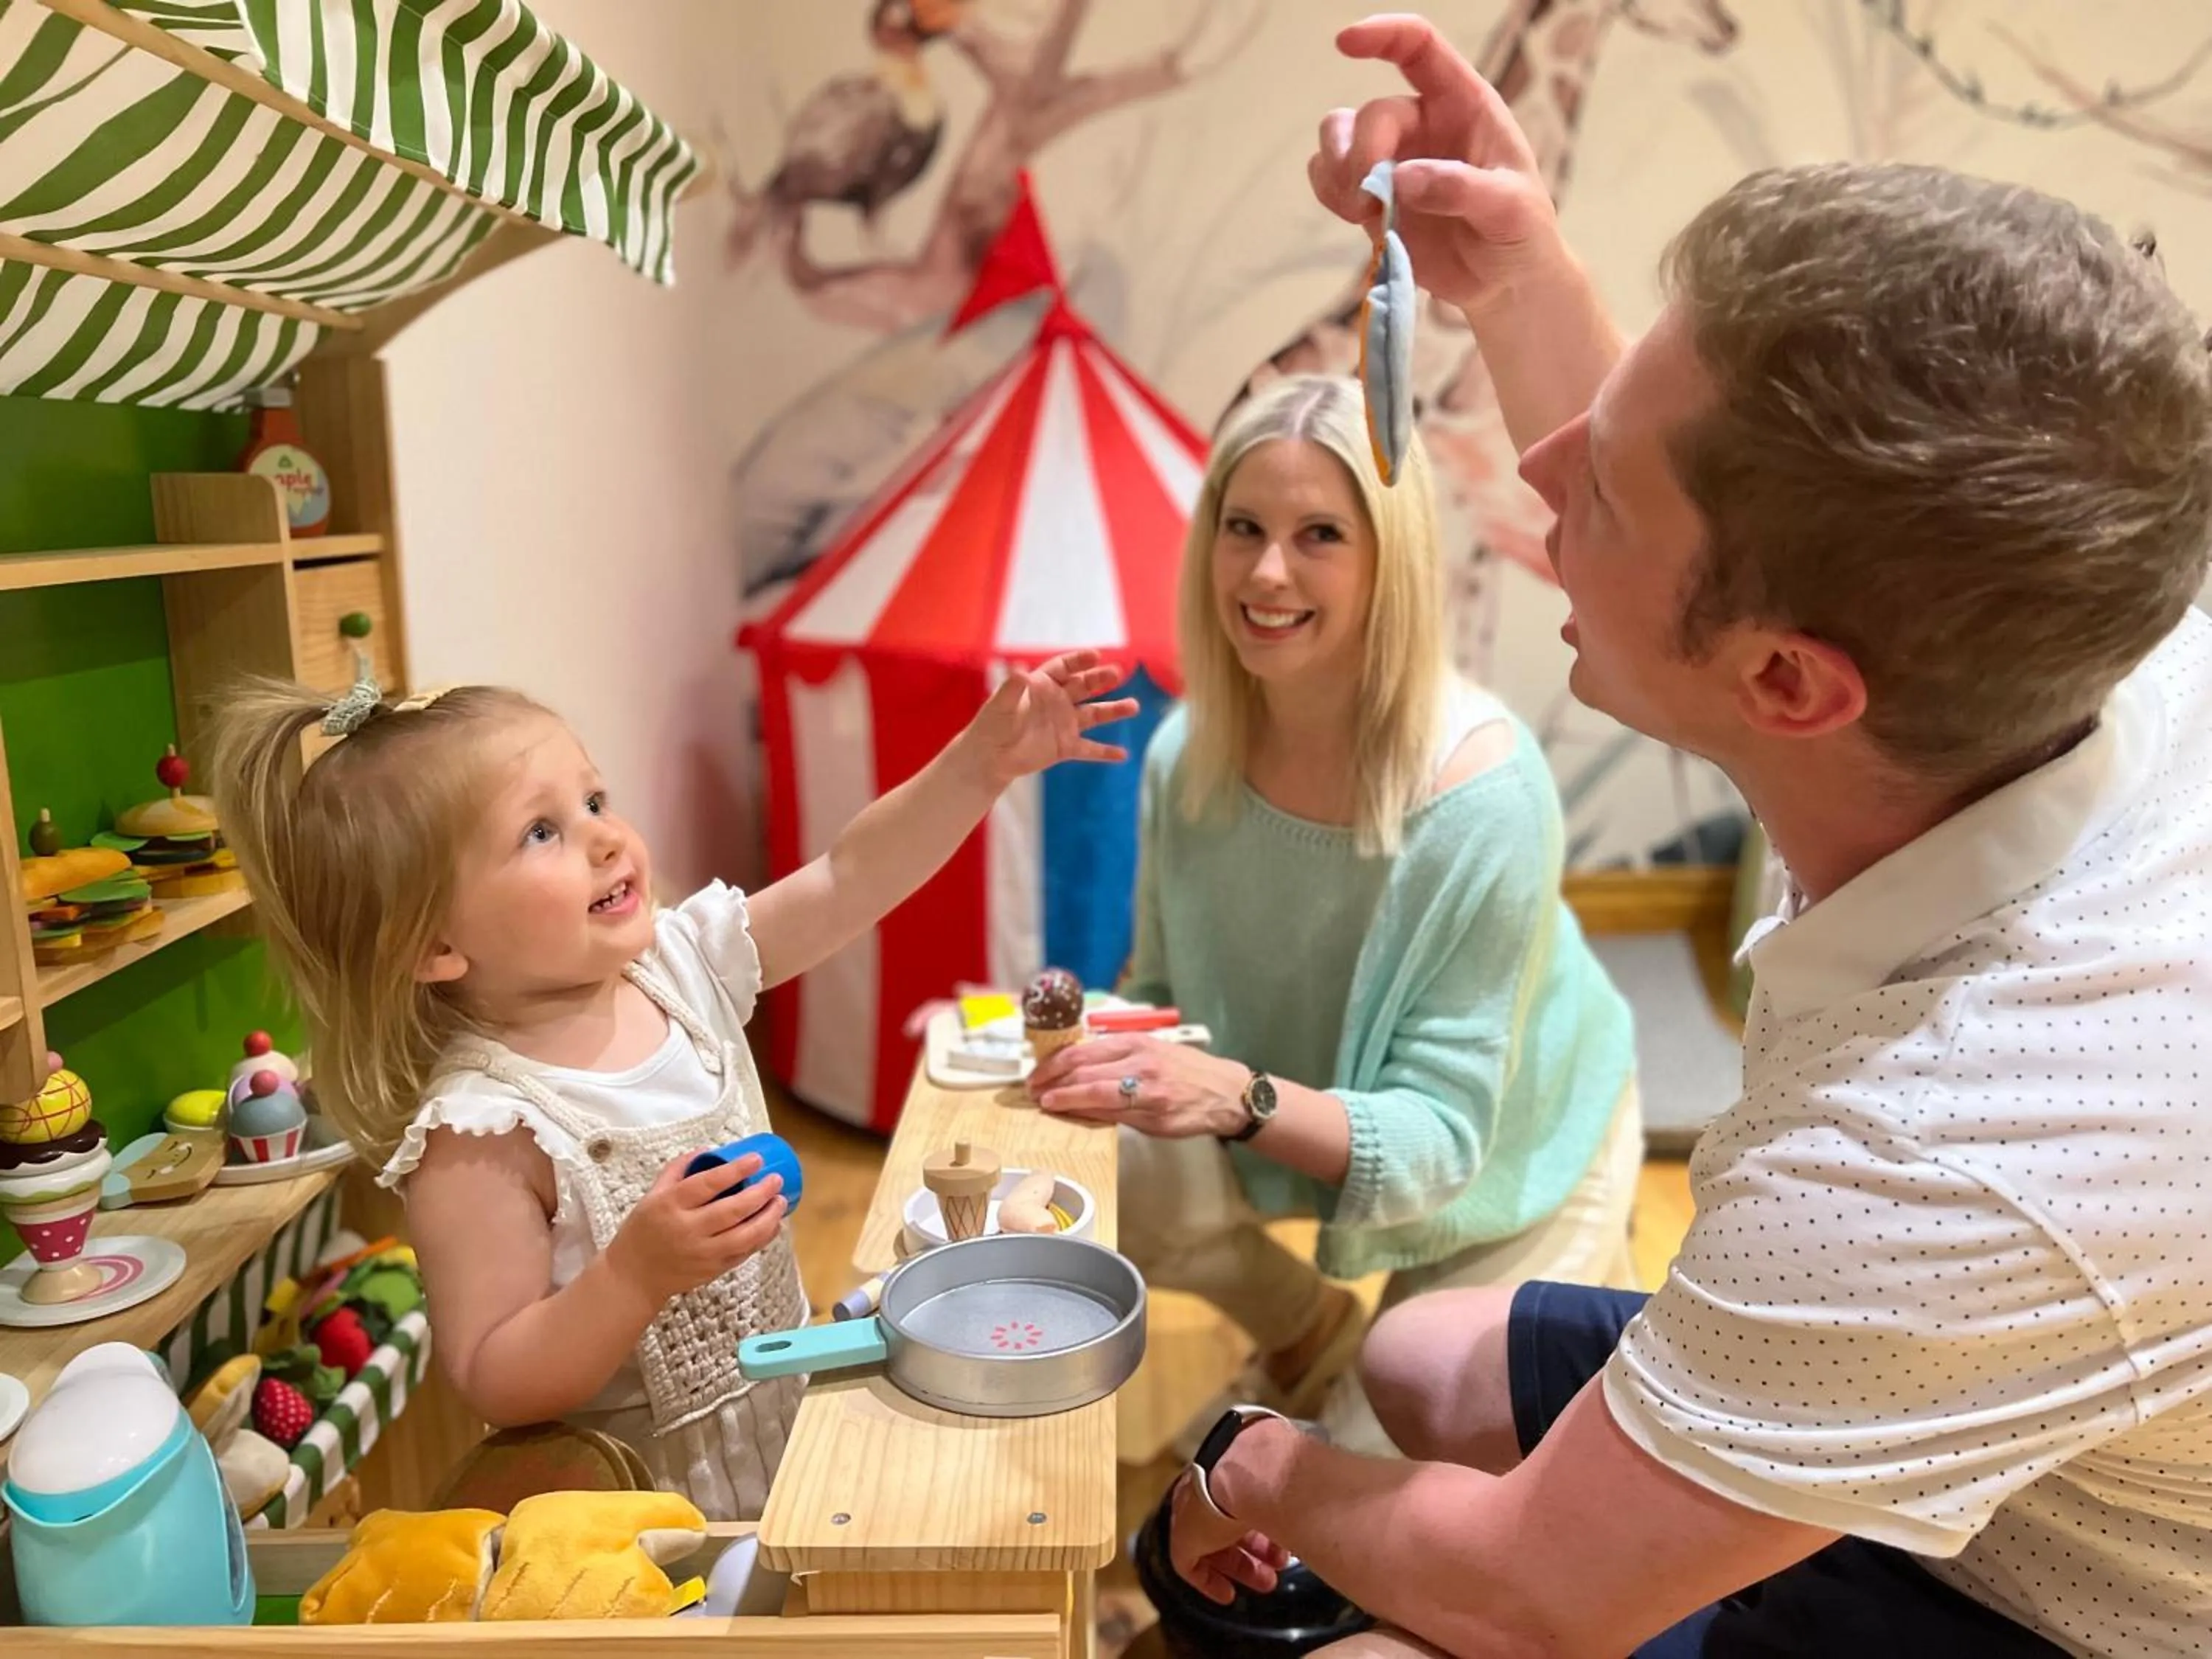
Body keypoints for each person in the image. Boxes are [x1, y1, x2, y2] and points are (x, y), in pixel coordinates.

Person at [1161, 15, 2212, 1658]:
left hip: (2038, 1593)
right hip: (1953, 1369)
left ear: (1787, 682)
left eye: (1610, 494)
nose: (1540, 470)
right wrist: (1515, 276)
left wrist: (1249, 1467)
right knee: (1419, 1359)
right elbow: (1715, 524)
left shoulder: (1937, 1165)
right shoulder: (2074, 591)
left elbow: (1529, 1592)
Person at [208, 653, 1135, 1520]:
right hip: (643, 1524)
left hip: (786, 1430)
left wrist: (979, 766)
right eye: (544, 831)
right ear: (434, 946)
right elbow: (494, 1373)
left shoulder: (680, 967)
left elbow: (853, 877)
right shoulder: (483, 1130)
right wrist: (632, 1274)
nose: (608, 838)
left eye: (595, 798)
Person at [1029, 372, 1640, 1436]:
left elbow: (1445, 1137)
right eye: (1244, 527)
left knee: (1349, 1527)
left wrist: (1237, 1100)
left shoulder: (1479, 793)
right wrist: (1033, 1053)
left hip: (1523, 1157)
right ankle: (1309, 1332)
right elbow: (1164, 994)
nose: (1268, 571)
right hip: (1321, 1131)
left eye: (1320, 534)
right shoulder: (1188, 756)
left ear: (1388, 560)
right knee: (1077, 1181)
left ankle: (1373, 1381)